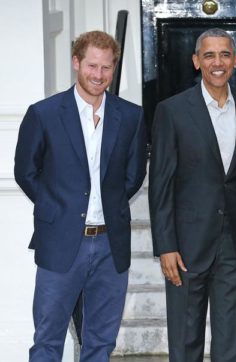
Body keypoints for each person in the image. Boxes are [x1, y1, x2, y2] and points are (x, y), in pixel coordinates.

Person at [14, 30, 147, 361]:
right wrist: (55, 208)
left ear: (113, 69)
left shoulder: (130, 116)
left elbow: (133, 175)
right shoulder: (43, 113)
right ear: (76, 63)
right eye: (92, 66)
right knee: (47, 340)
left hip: (109, 245)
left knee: (100, 343)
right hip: (60, 242)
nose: (98, 75)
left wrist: (110, 205)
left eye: (106, 68)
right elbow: (26, 171)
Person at [149, 28, 236, 361]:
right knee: (186, 342)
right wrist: (166, 246)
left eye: (225, 54)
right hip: (187, 244)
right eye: (210, 55)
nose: (218, 62)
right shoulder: (171, 111)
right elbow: (160, 184)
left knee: (231, 342)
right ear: (196, 61)